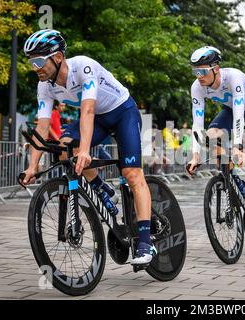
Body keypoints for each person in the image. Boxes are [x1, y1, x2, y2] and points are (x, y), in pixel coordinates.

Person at [21, 29, 156, 266]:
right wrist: (32, 166)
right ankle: (100, 188)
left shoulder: (83, 66)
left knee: (132, 174)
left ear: (58, 57)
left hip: (122, 112)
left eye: (40, 61)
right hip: (99, 120)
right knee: (63, 147)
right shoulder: (44, 86)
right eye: (31, 62)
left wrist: (84, 150)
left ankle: (146, 242)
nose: (35, 67)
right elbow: (42, 128)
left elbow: (88, 110)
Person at [186, 46, 245, 240]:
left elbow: (240, 113)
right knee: (210, 136)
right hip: (229, 111)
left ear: (216, 68)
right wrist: (195, 155)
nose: (198, 76)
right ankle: (235, 182)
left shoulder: (234, 77)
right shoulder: (197, 87)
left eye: (202, 71)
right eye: (195, 71)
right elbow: (197, 123)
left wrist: (237, 147)